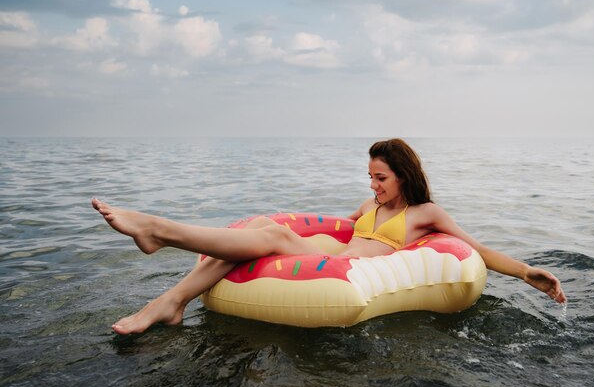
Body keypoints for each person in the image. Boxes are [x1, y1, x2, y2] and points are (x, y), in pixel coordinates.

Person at [92, 138, 566, 335]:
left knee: (271, 234)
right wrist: (322, 244)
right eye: (370, 177)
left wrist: (527, 272)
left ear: (403, 175)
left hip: (359, 271)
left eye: (381, 178)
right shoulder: (368, 207)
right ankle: (170, 301)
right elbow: (327, 236)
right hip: (333, 260)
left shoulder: (425, 213)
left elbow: (477, 249)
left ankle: (160, 232)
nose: (374, 186)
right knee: (263, 231)